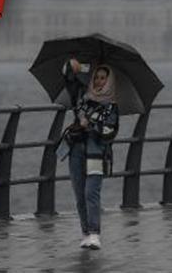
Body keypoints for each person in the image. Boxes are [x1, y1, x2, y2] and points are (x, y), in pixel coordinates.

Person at [62, 58, 119, 250]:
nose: (99, 81)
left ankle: (95, 233)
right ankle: (85, 233)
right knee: (79, 194)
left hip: (97, 153)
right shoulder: (82, 97)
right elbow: (68, 79)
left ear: (109, 81)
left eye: (103, 78)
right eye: (96, 77)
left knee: (90, 193)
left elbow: (110, 131)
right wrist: (74, 66)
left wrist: (90, 125)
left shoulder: (111, 106)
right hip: (76, 150)